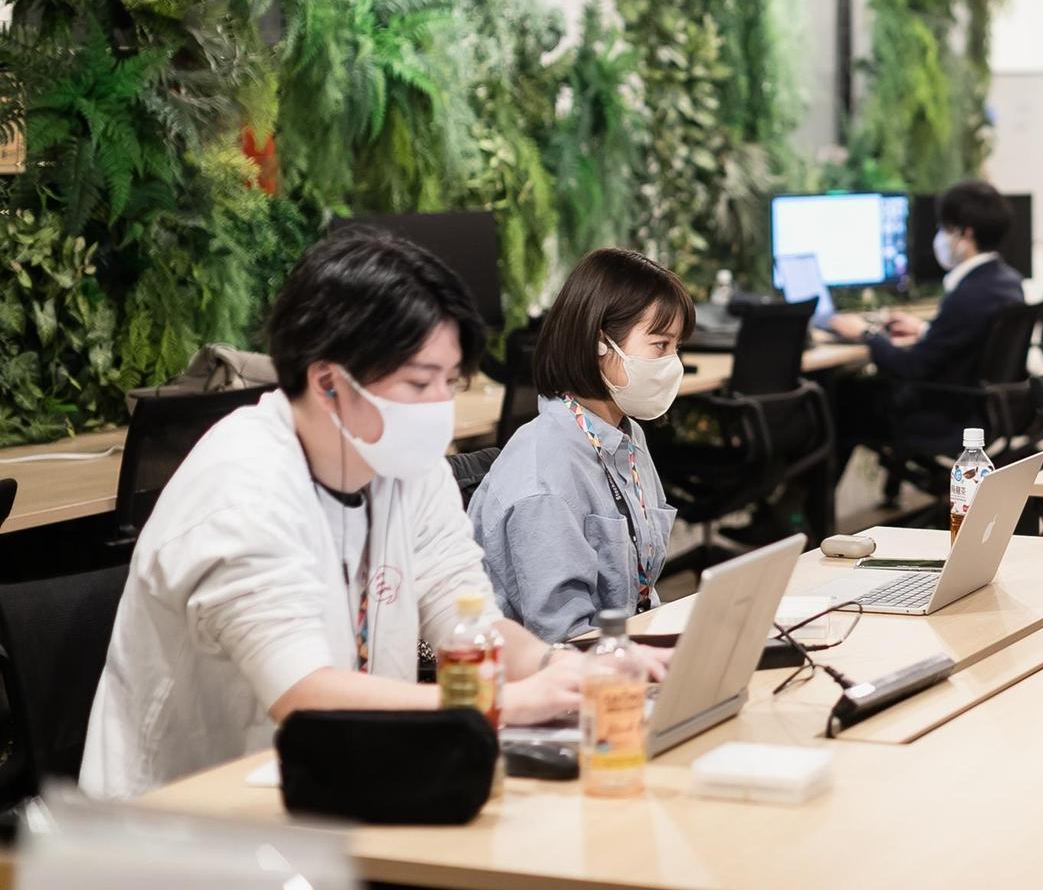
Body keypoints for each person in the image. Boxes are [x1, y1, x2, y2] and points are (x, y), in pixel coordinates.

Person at [80, 230, 666, 801]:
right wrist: (504, 703)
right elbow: (304, 696)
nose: (441, 406)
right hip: (191, 820)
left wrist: (566, 667)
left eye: (449, 382)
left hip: (348, 783)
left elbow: (466, 617)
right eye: (419, 382)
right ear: (328, 382)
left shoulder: (405, 465)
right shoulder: (243, 491)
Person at [470, 248, 690, 642]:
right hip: (564, 668)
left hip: (626, 646)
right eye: (660, 345)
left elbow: (639, 593)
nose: (673, 363)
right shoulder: (543, 480)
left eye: (677, 347)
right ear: (599, 344)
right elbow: (565, 639)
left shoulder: (627, 435)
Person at [828, 180, 1025, 459]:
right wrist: (925, 329)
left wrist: (866, 333)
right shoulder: (1006, 281)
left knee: (840, 397)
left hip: (941, 417)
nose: (939, 237)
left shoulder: (967, 295)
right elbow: (965, 339)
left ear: (965, 233)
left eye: (944, 228)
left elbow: (912, 366)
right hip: (980, 409)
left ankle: (817, 489)